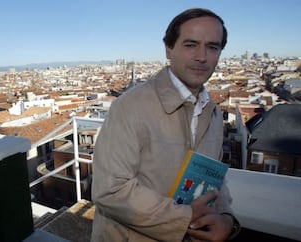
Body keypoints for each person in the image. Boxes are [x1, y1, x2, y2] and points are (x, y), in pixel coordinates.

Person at [91, 8, 240, 242]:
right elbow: (111, 191)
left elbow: (214, 178)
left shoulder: (212, 112)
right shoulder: (130, 106)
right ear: (169, 50)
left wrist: (227, 219)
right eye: (190, 45)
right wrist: (185, 218)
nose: (202, 56)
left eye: (212, 47)